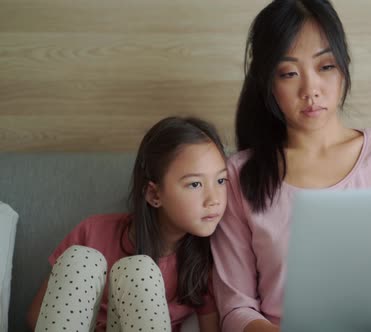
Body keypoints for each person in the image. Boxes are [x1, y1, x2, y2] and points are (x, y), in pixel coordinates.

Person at [210, 0, 371, 331]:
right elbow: (235, 307)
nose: (310, 90)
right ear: (268, 83)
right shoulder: (239, 175)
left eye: (325, 66)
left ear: (344, 67)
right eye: (288, 73)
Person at [27, 116, 227, 332]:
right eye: (195, 184)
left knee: (140, 272)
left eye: (221, 180)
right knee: (81, 258)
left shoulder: (208, 258)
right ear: (153, 194)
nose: (214, 199)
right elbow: (36, 316)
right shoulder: (92, 232)